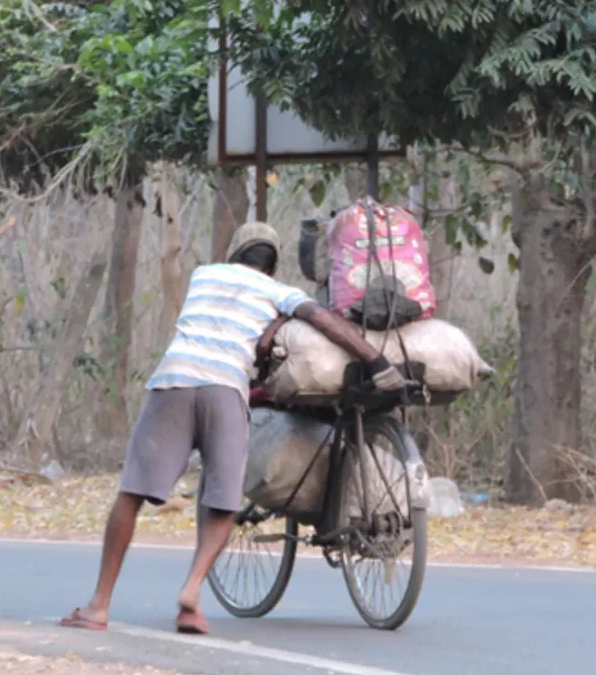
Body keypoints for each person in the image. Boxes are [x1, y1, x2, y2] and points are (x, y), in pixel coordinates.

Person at [59, 222, 407, 635]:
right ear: (272, 265)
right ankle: (191, 595)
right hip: (226, 389)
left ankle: (98, 606)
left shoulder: (203, 275)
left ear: (235, 253)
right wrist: (378, 363)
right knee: (224, 503)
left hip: (176, 380)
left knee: (131, 494)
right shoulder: (279, 293)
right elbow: (325, 322)